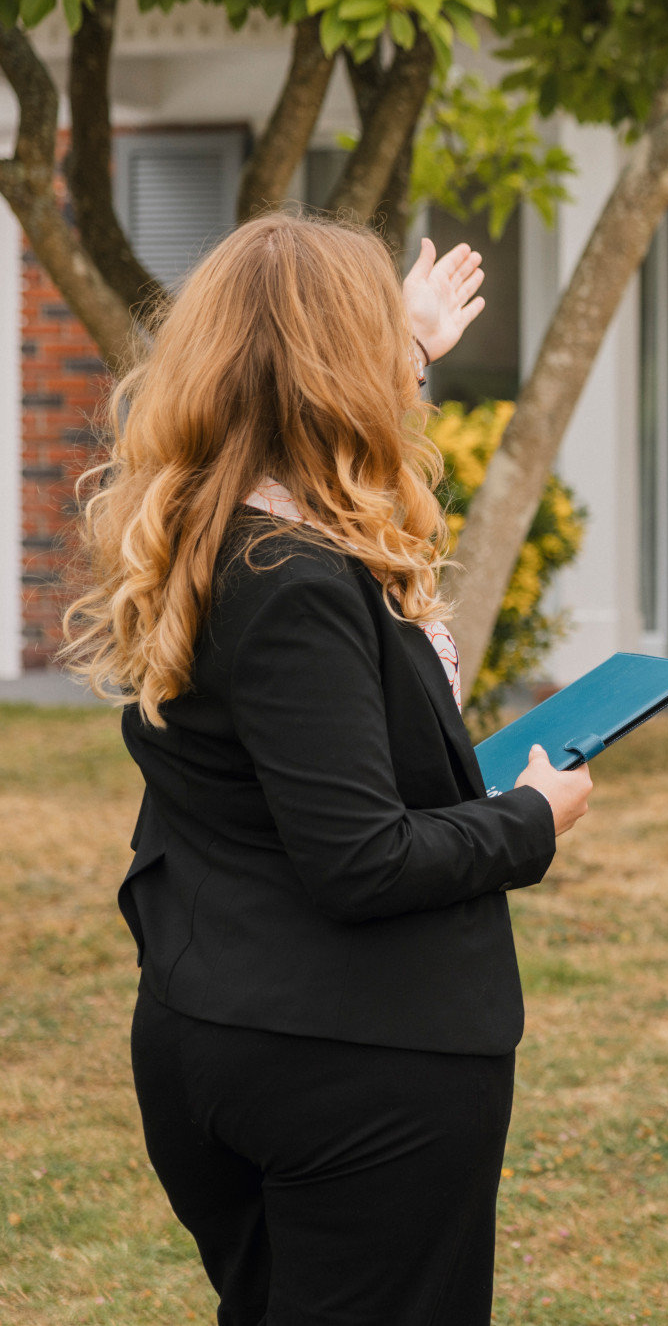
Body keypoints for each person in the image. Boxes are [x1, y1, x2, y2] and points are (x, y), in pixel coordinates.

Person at [61, 214, 594, 1326]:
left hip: (220, 1027)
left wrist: (401, 341)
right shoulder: (293, 578)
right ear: (337, 370)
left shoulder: (209, 526)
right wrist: (532, 817)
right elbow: (360, 858)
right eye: (379, 346)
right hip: (353, 1068)